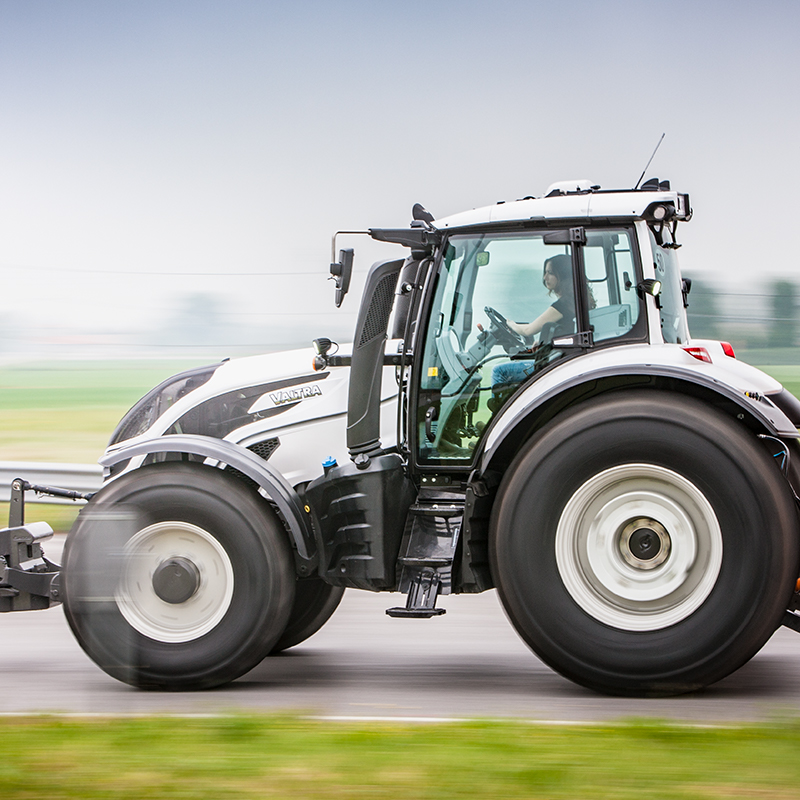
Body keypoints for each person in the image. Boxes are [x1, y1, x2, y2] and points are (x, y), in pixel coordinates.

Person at [490, 254, 575, 386]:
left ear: (562, 275)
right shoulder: (573, 302)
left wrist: (510, 324)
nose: (545, 278)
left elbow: (528, 330)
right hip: (558, 359)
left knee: (499, 371)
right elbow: (565, 332)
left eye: (550, 273)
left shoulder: (563, 305)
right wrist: (544, 344)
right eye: (545, 273)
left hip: (553, 364)